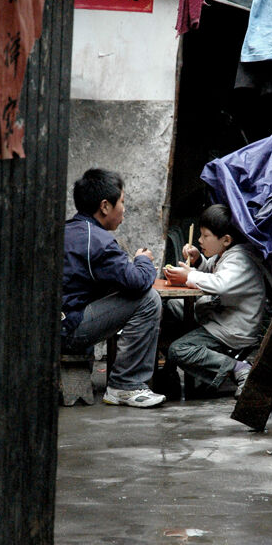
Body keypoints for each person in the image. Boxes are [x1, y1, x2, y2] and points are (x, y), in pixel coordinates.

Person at [61, 168, 165, 408]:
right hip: (69, 330)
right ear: (105, 206)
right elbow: (137, 281)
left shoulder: (68, 230)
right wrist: (143, 260)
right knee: (148, 299)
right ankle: (125, 385)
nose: (124, 209)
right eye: (122, 202)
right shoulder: (98, 241)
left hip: (50, 326)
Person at [163, 204, 267, 397]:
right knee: (172, 306)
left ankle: (238, 368)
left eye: (205, 236)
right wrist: (197, 261)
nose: (200, 240)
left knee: (179, 350)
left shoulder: (240, 260)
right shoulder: (224, 255)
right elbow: (211, 271)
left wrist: (189, 275)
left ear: (226, 240)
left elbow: (220, 283)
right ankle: (169, 376)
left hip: (232, 330)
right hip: (218, 319)